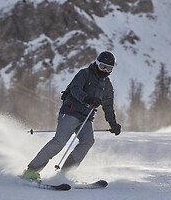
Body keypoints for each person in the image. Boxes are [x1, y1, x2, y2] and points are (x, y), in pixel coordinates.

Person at [22, 51, 121, 180]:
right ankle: (32, 171)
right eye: (103, 67)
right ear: (97, 64)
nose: (105, 71)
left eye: (109, 68)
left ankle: (65, 173)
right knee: (60, 141)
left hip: (86, 118)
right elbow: (75, 88)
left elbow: (108, 106)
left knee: (88, 141)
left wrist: (113, 124)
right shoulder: (84, 74)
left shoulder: (107, 85)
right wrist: (88, 99)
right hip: (70, 112)